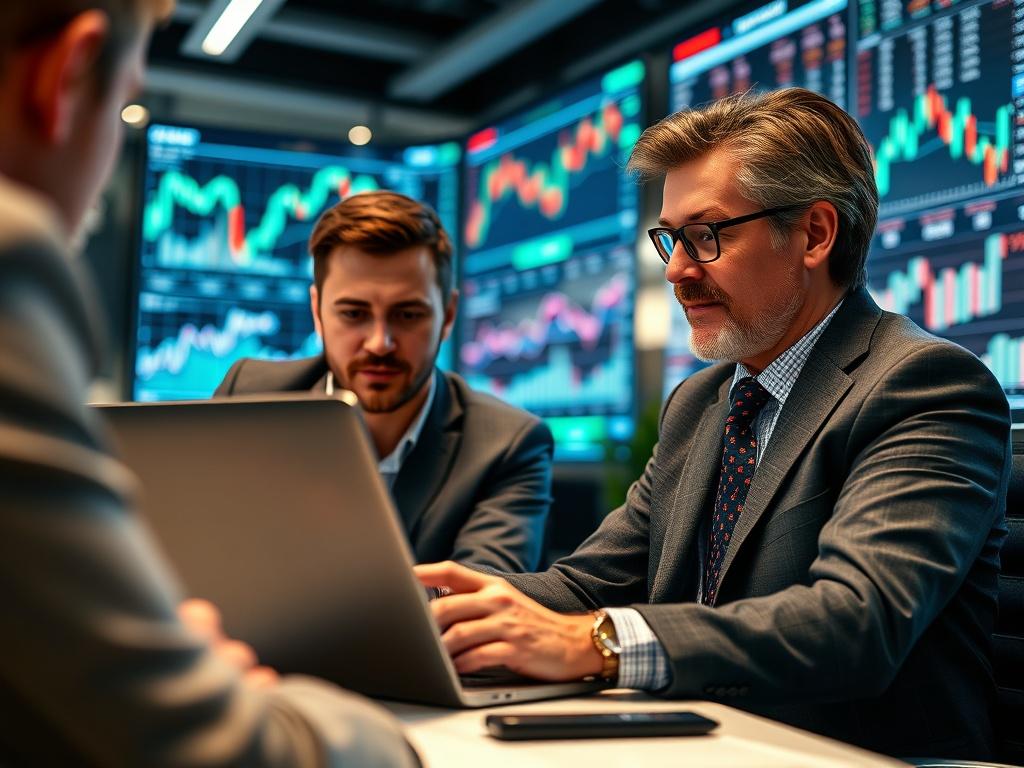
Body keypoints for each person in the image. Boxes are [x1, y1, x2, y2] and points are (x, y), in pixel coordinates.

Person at [415, 88, 1011, 760]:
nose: (675, 270)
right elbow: (587, 584)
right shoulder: (701, 402)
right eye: (670, 238)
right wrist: (414, 599)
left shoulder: (923, 386)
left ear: (815, 234)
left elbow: (855, 623)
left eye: (706, 236)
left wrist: (595, 643)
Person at [0, 1, 418, 765]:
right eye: (121, 106)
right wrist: (369, 737)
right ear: (65, 76)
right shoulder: (10, 260)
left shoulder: (503, 435)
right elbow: (208, 748)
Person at [215, 191, 553, 572]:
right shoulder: (247, 399)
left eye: (407, 314)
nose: (380, 343)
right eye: (354, 313)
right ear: (317, 311)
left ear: (448, 315)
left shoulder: (508, 446)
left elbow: (479, 601)